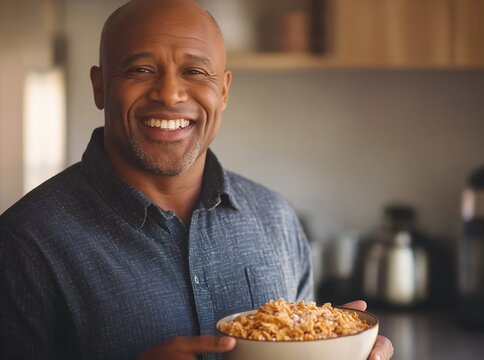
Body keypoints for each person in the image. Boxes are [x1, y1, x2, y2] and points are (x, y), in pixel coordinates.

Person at [0, 0, 393, 359]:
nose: (169, 94)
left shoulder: (276, 219)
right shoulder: (23, 243)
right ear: (100, 86)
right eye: (141, 69)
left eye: (194, 71)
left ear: (222, 91)